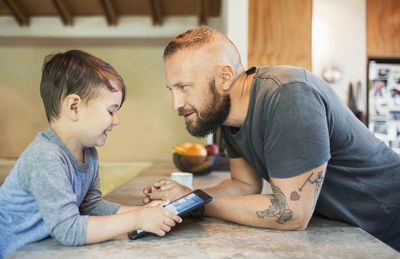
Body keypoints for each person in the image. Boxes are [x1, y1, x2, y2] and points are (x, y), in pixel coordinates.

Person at [143, 26, 400, 251]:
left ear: (224, 77)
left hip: (390, 224)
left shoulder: (289, 95)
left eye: (184, 87)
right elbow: (244, 185)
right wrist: (187, 197)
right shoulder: (226, 115)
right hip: (358, 231)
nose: (176, 103)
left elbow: (290, 213)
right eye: (172, 89)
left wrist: (197, 205)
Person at [0, 50, 181, 258]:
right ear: (74, 107)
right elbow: (69, 230)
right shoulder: (44, 157)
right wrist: (137, 220)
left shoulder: (89, 154)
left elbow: (90, 206)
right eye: (111, 111)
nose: (116, 120)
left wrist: (146, 212)